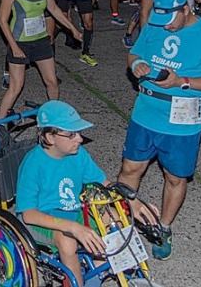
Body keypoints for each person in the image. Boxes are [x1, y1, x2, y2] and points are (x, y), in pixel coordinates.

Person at [120, 0, 201, 260]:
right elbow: (134, 53)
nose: (164, 27)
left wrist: (181, 81)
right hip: (145, 111)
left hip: (182, 118)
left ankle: (164, 228)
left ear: (186, 9)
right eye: (160, 20)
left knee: (175, 176)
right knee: (131, 168)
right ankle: (121, 224)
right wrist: (136, 66)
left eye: (170, 20)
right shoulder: (157, 23)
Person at [17, 100, 157, 287]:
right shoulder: (33, 165)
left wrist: (132, 201)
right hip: (42, 218)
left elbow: (105, 183)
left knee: (115, 217)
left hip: (73, 211)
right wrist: (73, 227)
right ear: (51, 137)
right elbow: (28, 214)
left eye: (79, 133)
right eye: (72, 134)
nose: (80, 139)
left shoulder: (79, 154)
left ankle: (100, 271)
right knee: (67, 241)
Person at [0, 0, 82, 118]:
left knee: (52, 82)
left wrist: (72, 28)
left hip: (41, 39)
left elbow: (54, 9)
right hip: (19, 41)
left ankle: (53, 117)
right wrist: (13, 47)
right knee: (16, 86)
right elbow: (2, 21)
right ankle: (0, 125)